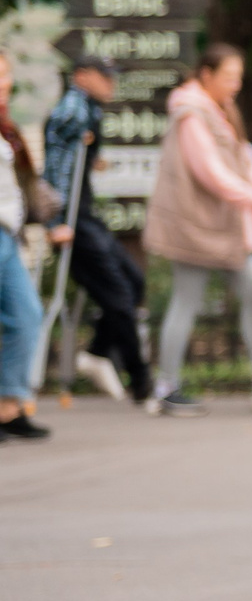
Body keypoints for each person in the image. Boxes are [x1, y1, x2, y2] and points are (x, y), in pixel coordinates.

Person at [142, 43, 252, 415]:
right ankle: (165, 388)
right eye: (229, 77)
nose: (235, 85)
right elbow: (209, 170)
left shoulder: (221, 111)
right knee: (187, 301)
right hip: (197, 229)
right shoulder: (191, 114)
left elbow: (243, 161)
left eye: (238, 78)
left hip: (226, 231)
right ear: (206, 75)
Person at [43, 54, 152, 404]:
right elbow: (57, 169)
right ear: (82, 75)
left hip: (86, 213)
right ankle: (142, 380)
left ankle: (97, 353)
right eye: (105, 77)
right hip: (72, 219)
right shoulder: (72, 111)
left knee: (133, 283)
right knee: (119, 295)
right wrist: (55, 222)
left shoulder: (90, 108)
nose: (111, 83)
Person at [0, 50, 52, 440]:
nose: (6, 84)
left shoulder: (7, 126)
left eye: (7, 76)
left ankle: (8, 406)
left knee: (27, 314)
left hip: (7, 233)